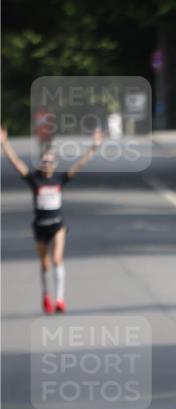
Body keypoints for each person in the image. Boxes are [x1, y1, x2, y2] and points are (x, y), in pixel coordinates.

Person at [1, 126, 103, 313]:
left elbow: (79, 165)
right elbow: (15, 161)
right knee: (45, 263)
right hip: (40, 227)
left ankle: (59, 299)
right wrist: (4, 143)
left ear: (55, 164)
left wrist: (94, 147)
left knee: (56, 259)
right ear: (40, 163)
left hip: (57, 225)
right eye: (44, 161)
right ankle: (46, 294)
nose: (47, 164)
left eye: (50, 161)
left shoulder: (59, 179)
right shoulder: (34, 179)